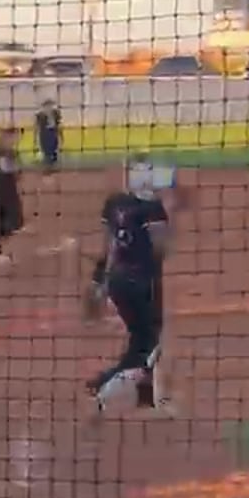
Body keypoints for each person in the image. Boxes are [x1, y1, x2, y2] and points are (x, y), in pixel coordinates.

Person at [84, 156, 180, 416]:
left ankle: (145, 398)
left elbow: (107, 247)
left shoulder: (115, 203)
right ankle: (104, 386)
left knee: (140, 339)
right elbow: (162, 250)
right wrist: (170, 214)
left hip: (117, 281)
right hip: (144, 282)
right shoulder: (153, 209)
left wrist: (98, 283)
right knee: (149, 344)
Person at [0, 126, 25, 265]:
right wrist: (17, 166)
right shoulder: (3, 153)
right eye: (14, 136)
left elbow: (17, 173)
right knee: (2, 225)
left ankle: (6, 252)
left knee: (12, 224)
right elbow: (8, 169)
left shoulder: (10, 152)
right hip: (2, 192)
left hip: (9, 191)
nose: (17, 139)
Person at [34, 99, 64, 175]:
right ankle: (47, 169)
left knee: (53, 152)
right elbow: (37, 127)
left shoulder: (55, 113)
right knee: (47, 153)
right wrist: (35, 139)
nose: (49, 107)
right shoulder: (40, 115)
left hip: (52, 134)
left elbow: (59, 126)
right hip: (45, 135)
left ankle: (50, 168)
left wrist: (61, 137)